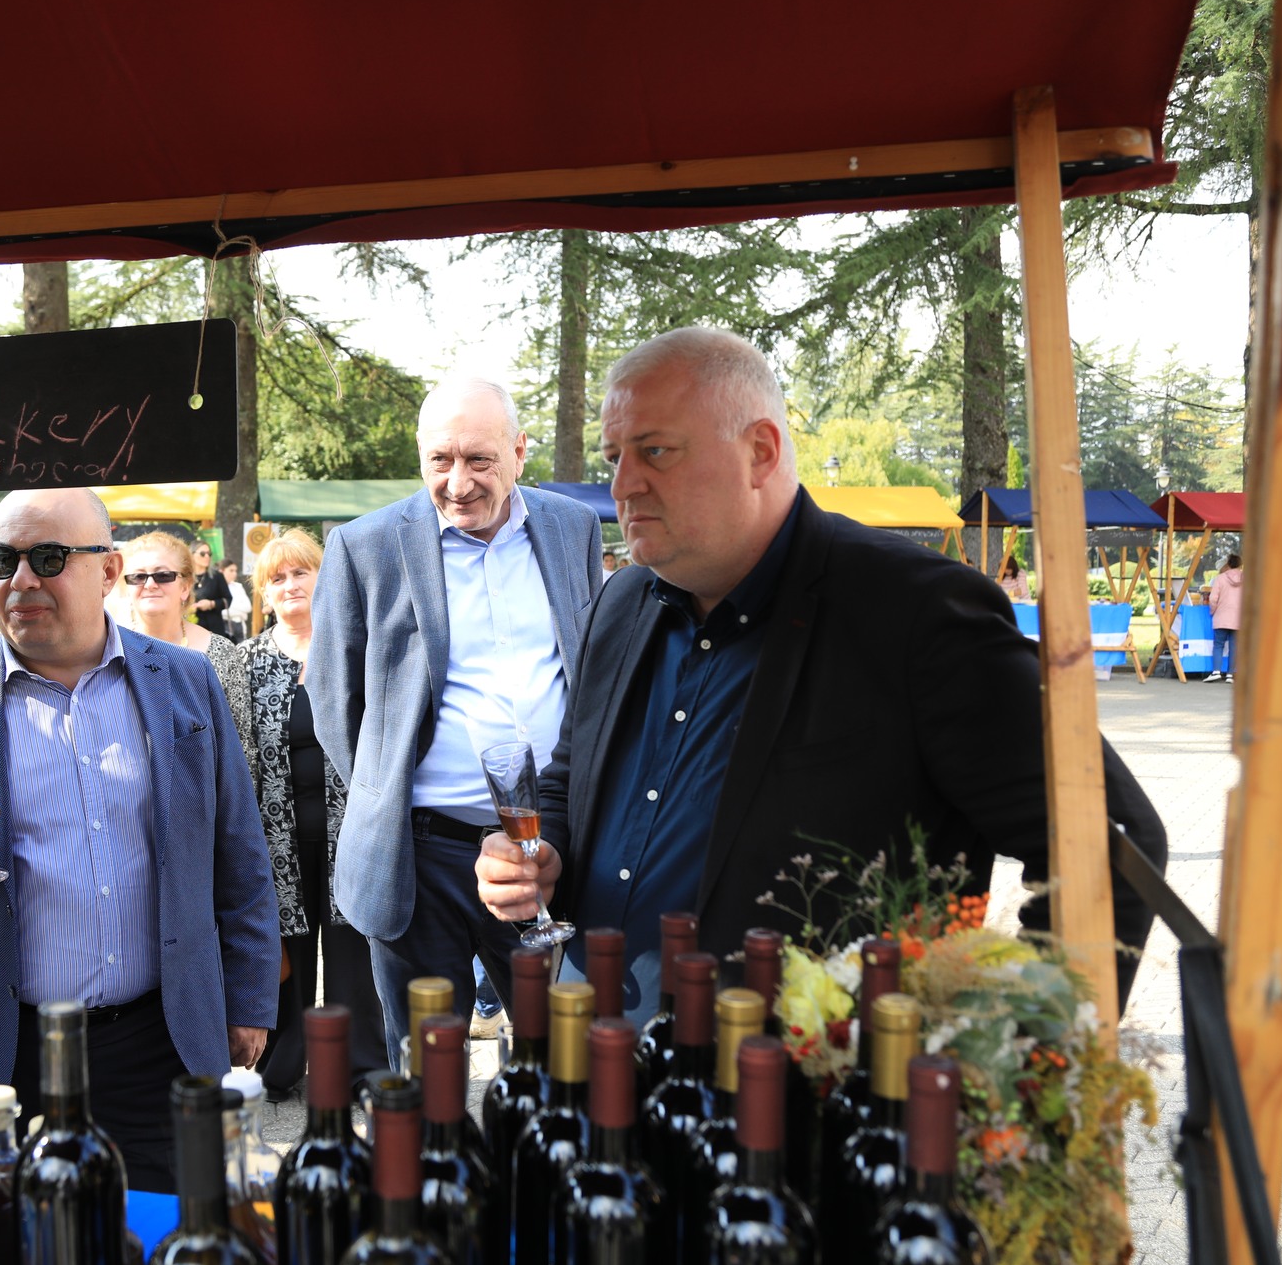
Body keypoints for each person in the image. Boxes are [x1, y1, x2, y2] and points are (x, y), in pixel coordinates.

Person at [474, 327, 1165, 1019]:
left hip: (804, 1073)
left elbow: (1111, 846)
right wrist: (543, 849)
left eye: (655, 451)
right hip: (595, 1046)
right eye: (615, 456)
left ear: (761, 451)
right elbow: (574, 772)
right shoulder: (622, 601)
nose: (623, 484)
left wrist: (1018, 1049)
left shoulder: (915, 611)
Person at [0, 487, 279, 1191]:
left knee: (161, 1231)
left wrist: (250, 998)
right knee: (7, 1241)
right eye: (1, 560)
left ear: (108, 571)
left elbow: (239, 848)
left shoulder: (185, 681)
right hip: (3, 1047)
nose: (21, 580)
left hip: (157, 1041)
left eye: (47, 558)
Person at [310, 375, 603, 1064]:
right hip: (421, 857)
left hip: (542, 851)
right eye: (440, 460)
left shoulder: (573, 527)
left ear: (520, 451)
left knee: (560, 1060)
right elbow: (334, 702)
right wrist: (390, 791)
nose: (458, 482)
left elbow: (586, 666)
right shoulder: (364, 545)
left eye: (479, 459)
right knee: (425, 1069)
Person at [240, 529, 388, 1094]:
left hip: (350, 833)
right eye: (276, 578)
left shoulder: (354, 650)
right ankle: (281, 1068)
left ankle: (363, 1068)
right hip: (274, 836)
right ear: (264, 593)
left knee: (354, 953)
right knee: (287, 952)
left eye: (301, 572)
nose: (289, 585)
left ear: (325, 579)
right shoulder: (248, 661)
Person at [118, 531, 257, 782]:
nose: (149, 584)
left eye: (163, 575)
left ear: (185, 587)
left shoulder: (220, 653)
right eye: (138, 576)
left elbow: (242, 751)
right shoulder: (110, 652)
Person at [1206, 552, 1242, 683]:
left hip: (1221, 616)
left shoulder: (1220, 578)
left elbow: (1213, 598)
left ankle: (1216, 671)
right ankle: (1230, 675)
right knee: (1234, 646)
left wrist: (1212, 611)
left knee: (1218, 645)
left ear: (1228, 564)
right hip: (1239, 618)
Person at [190, 539, 228, 638]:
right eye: (203, 554)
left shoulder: (217, 576)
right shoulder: (184, 577)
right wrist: (187, 608)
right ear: (192, 555)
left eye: (209, 554)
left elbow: (228, 599)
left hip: (213, 629)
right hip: (190, 628)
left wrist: (211, 604)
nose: (207, 556)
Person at [221, 559, 250, 641]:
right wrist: (240, 612)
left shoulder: (238, 586)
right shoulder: (216, 587)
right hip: (224, 625)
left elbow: (248, 607)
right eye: (231, 570)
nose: (234, 573)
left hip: (240, 625)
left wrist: (229, 607)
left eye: (235, 571)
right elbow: (219, 610)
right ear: (222, 571)